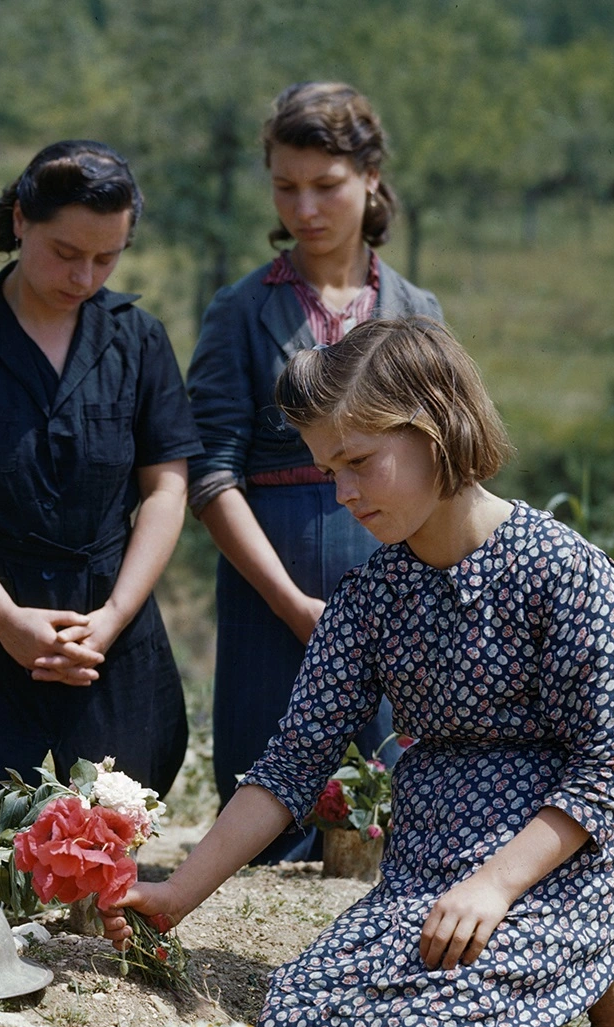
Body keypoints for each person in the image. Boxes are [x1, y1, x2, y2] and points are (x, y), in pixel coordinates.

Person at [107, 317, 614, 1027]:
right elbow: (293, 763)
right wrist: (176, 894)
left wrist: (493, 887)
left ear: (436, 428)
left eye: (360, 462)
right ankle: (559, 964)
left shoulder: (569, 574)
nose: (343, 494)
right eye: (330, 469)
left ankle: (603, 947)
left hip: (549, 865)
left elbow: (601, 774)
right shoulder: (369, 599)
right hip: (425, 870)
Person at [0, 140, 204, 872]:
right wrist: (7, 623)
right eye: (66, 252)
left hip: (106, 627)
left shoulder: (138, 338)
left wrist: (114, 618)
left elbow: (166, 487)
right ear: (20, 218)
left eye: (106, 258)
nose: (84, 276)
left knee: (115, 827)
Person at [187, 82, 445, 864]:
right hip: (274, 591)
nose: (305, 208)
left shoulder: (415, 310)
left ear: (370, 177)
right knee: (273, 806)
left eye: (325, 185)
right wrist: (295, 605)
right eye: (285, 186)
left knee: (385, 814)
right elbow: (210, 474)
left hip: (394, 585)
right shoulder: (238, 311)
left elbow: (441, 461)